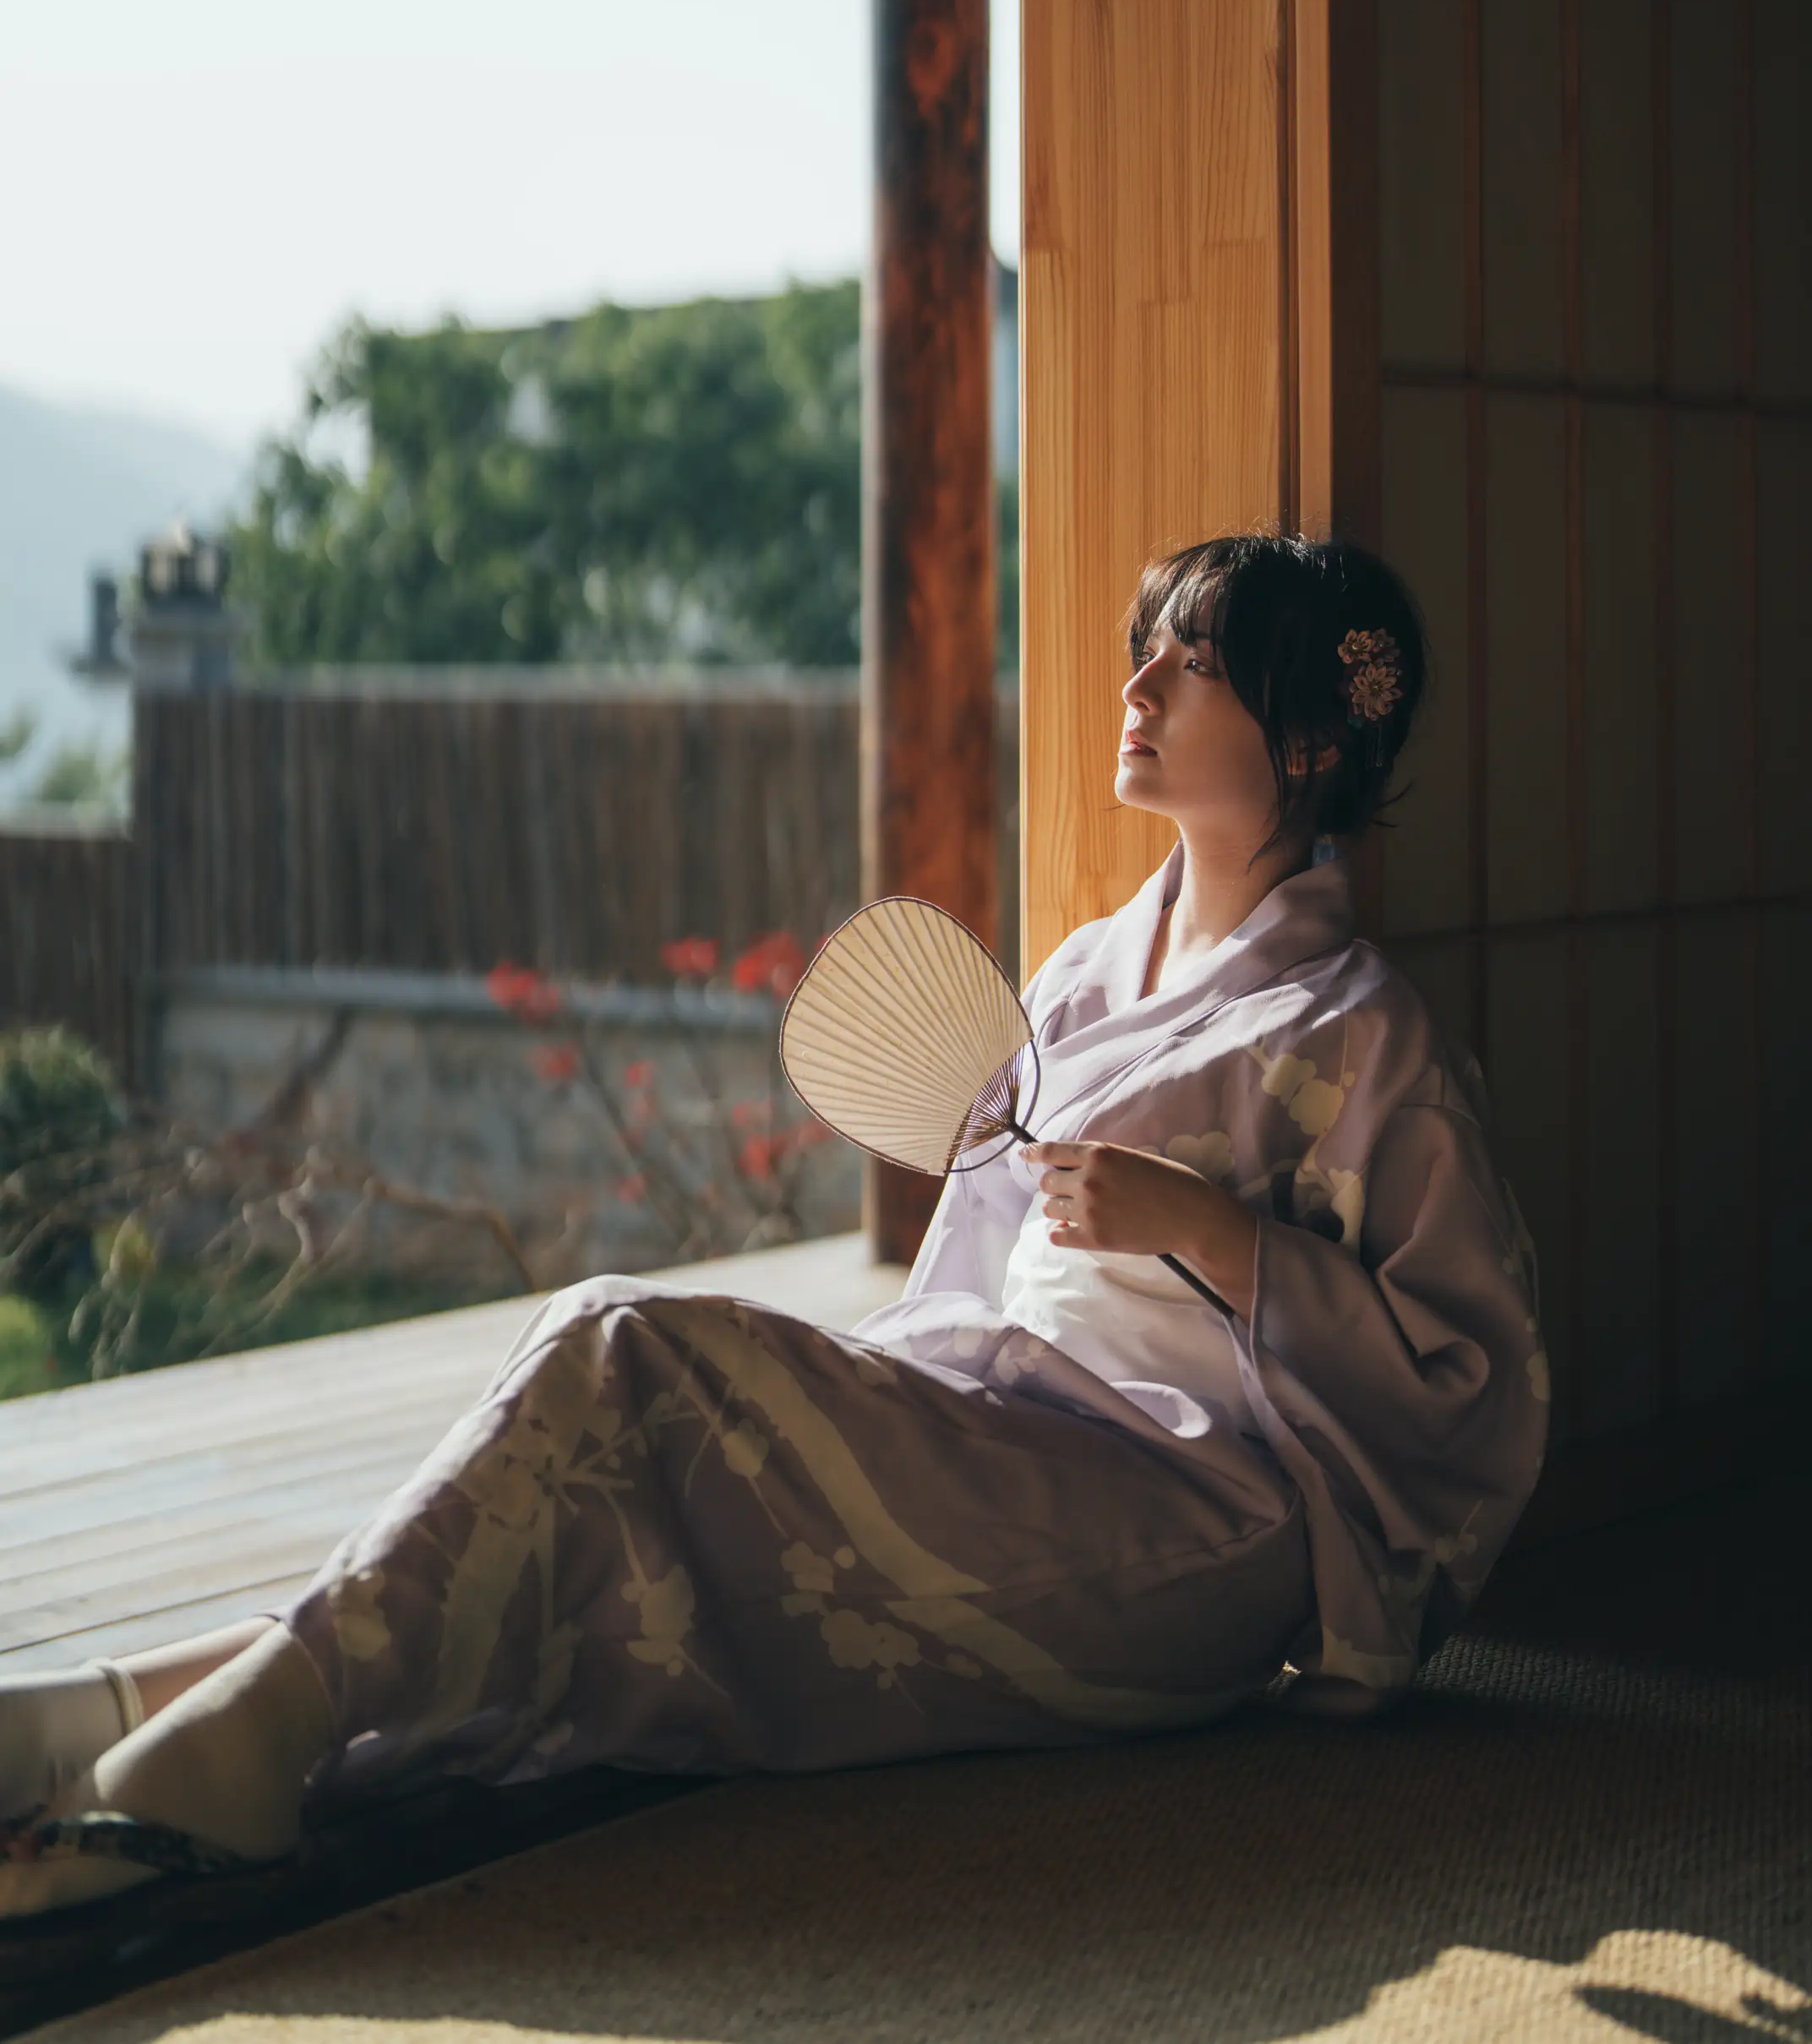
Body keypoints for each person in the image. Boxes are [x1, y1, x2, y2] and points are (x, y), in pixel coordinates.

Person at [0, 533, 1547, 1916]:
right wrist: (848, 1408)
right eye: (1148, 643)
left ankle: (213, 1724)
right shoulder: (1084, 973)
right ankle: (177, 1705)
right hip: (1008, 1433)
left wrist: (1214, 1236)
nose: (1138, 680)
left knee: (616, 1345)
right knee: (622, 1443)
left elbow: (1471, 1388)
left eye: (1193, 664)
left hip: (1187, 1525)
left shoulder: (1364, 1035)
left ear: (1308, 739)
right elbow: (972, 1272)